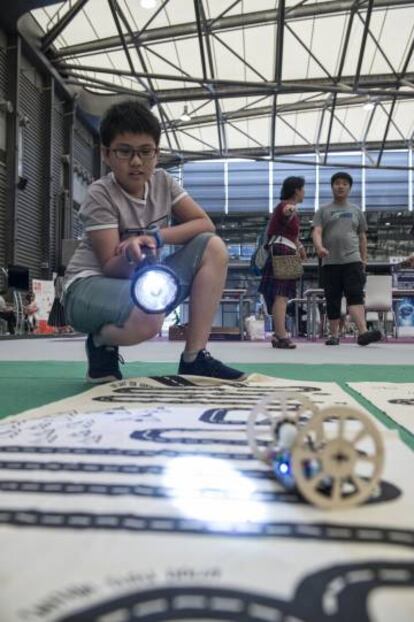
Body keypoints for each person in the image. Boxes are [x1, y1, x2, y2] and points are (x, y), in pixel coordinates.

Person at [63, 99, 245, 383]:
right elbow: (110, 266)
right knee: (149, 318)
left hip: (140, 283)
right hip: (86, 288)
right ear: (107, 154)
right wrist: (130, 255)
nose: (136, 162)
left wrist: (156, 237)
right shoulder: (101, 193)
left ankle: (194, 357)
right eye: (124, 151)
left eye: (145, 152)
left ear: (156, 154)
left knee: (213, 246)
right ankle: (100, 342)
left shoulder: (163, 182)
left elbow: (204, 224)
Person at [312, 171, 381, 346]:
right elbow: (317, 231)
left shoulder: (356, 210)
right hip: (330, 262)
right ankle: (334, 335)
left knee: (355, 296)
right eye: (337, 183)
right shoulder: (323, 210)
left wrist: (364, 260)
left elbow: (362, 236)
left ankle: (363, 333)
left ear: (349, 188)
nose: (340, 186)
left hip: (353, 260)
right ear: (332, 187)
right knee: (332, 298)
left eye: (344, 183)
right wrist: (319, 247)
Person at [258, 176, 307, 349]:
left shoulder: (288, 209)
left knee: (281, 295)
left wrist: (300, 247)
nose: (304, 192)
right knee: (282, 295)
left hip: (283, 251)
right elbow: (286, 210)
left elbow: (290, 234)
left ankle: (279, 334)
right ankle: (281, 334)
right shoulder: (286, 207)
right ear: (296, 190)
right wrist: (289, 209)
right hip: (283, 252)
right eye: (303, 189)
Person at [48, 266, 70, 333]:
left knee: (57, 314)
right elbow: (64, 289)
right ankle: (65, 328)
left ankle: (57, 328)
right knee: (63, 314)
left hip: (56, 298)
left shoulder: (56, 279)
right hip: (61, 298)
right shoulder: (62, 279)